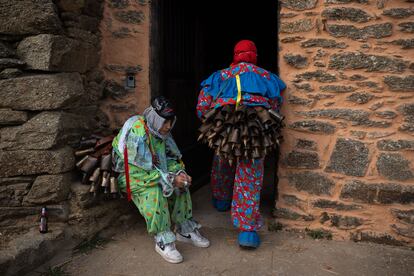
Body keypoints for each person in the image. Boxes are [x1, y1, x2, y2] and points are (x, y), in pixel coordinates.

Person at [196, 40, 286, 249]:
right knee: (250, 173)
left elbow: (202, 105)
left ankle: (221, 200)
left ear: (235, 54)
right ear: (255, 55)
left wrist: (212, 123)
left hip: (225, 126)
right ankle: (247, 230)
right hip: (255, 130)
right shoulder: (266, 77)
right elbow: (275, 105)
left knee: (222, 160)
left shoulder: (220, 76)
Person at [112, 96, 210, 264]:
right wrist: (171, 180)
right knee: (155, 192)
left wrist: (179, 173)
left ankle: (184, 230)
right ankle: (163, 240)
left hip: (156, 175)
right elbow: (140, 171)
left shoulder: (161, 132)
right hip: (134, 178)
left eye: (171, 122)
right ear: (156, 119)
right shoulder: (138, 133)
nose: (169, 127)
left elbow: (171, 158)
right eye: (165, 122)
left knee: (182, 185)